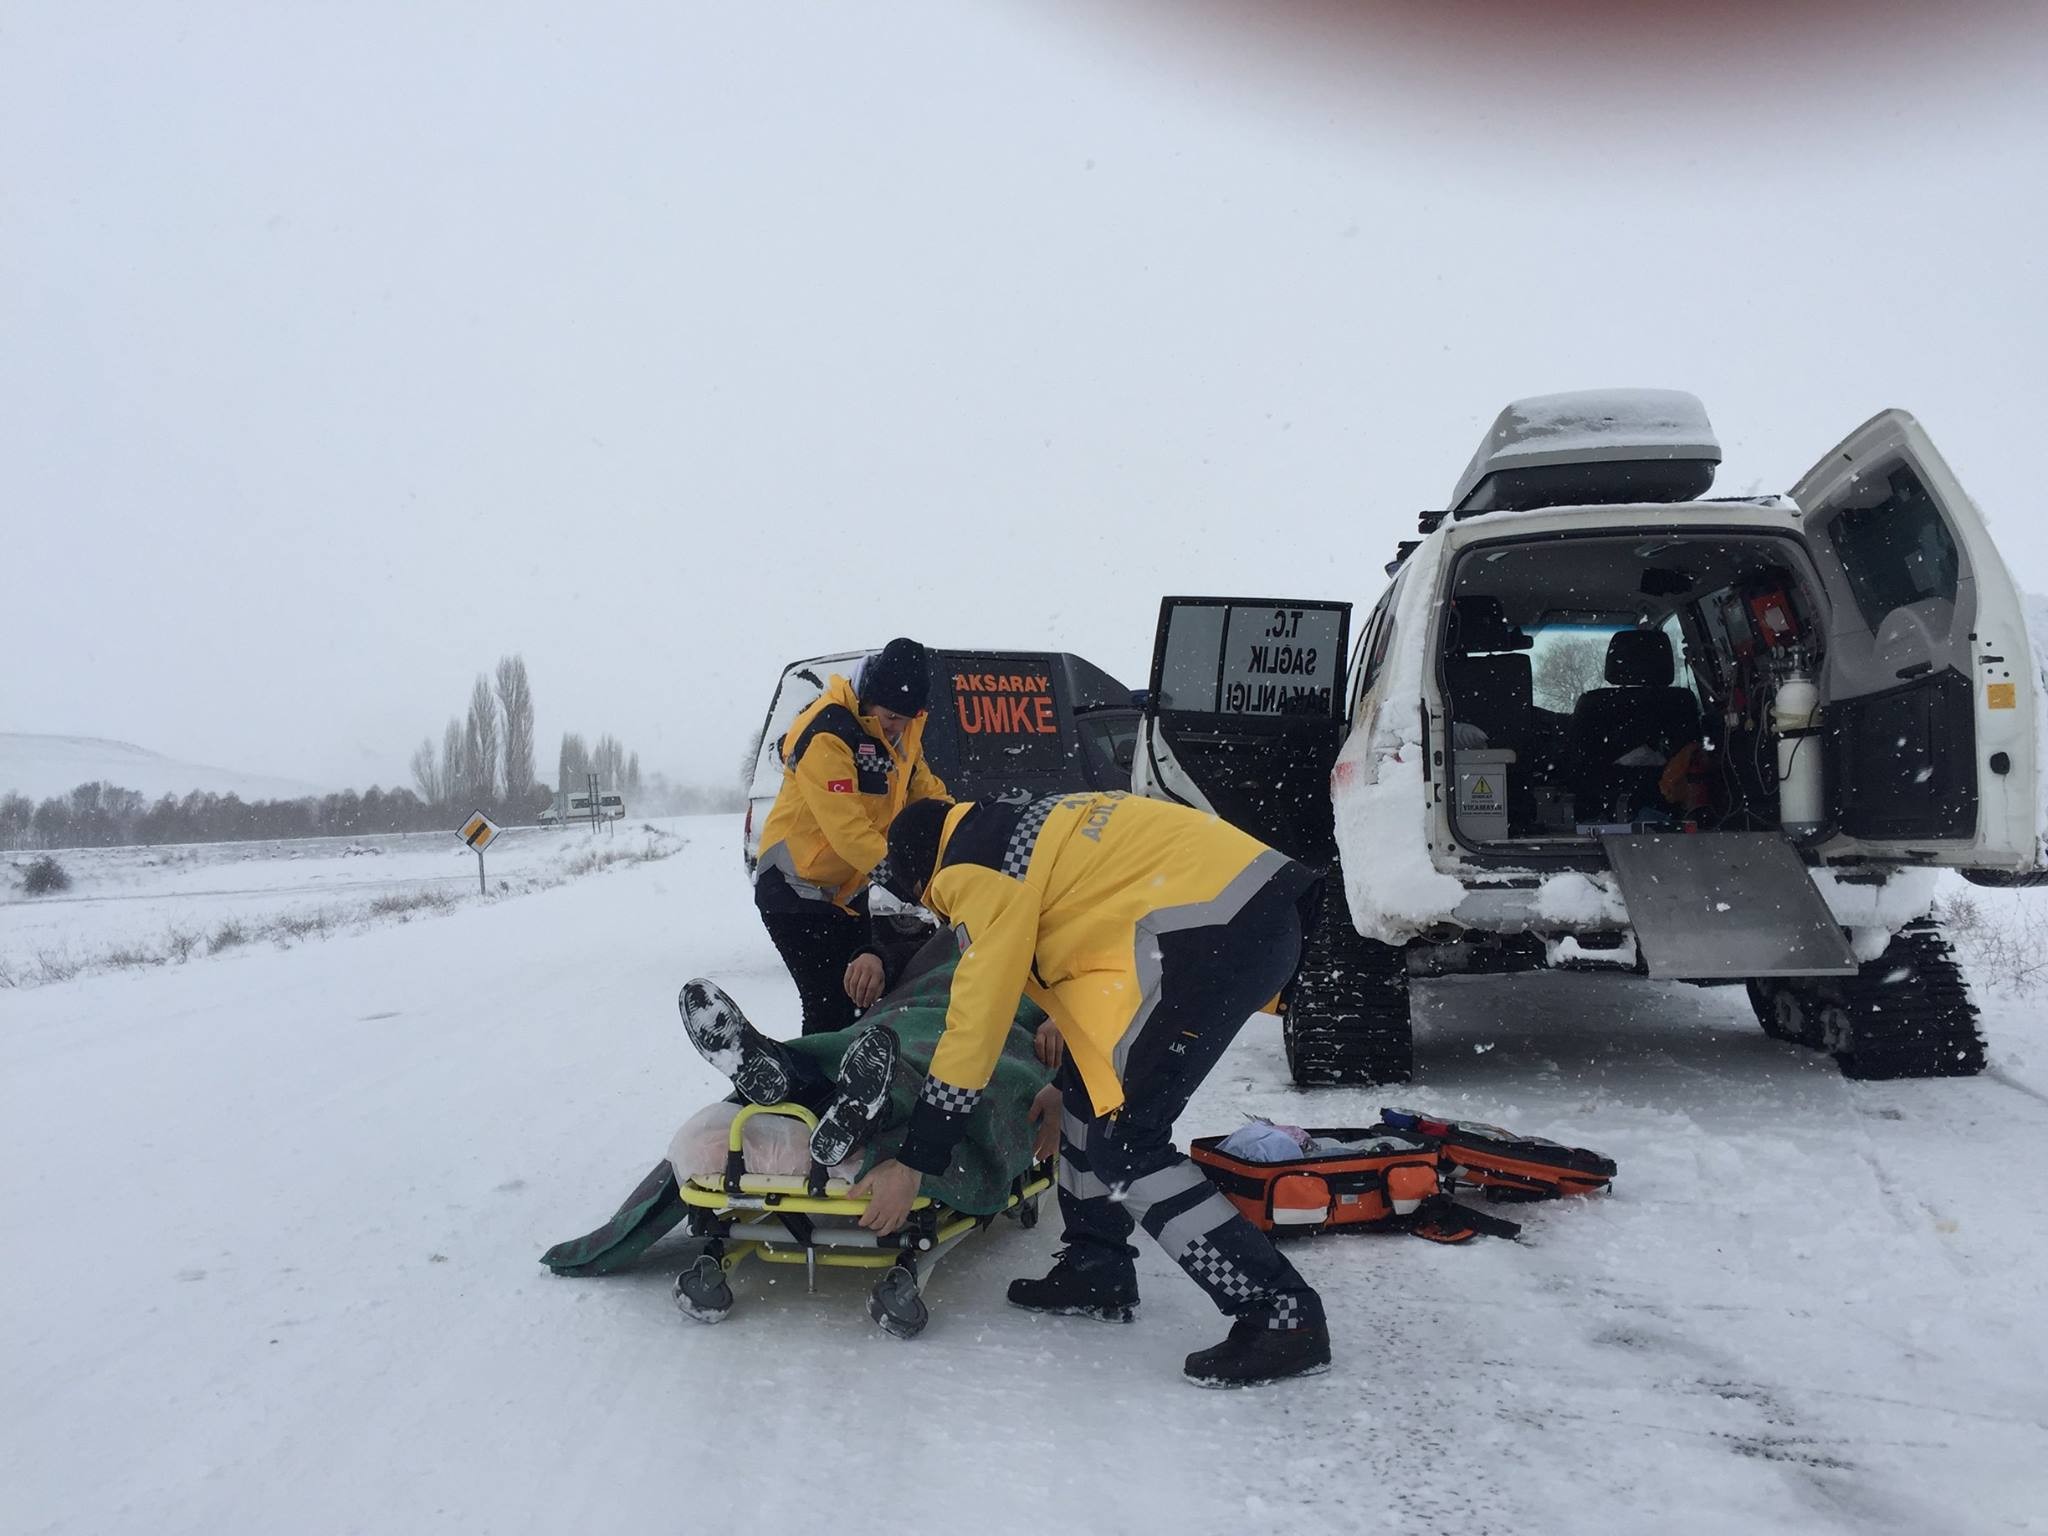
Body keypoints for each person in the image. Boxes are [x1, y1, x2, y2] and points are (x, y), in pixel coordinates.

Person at [859, 791, 1332, 1388]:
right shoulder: (1007, 826)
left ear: (926, 875)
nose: (940, 911)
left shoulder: (968, 869)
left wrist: (915, 1161)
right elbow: (1093, 967)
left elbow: (977, 1021)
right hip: (1235, 918)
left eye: (931, 902)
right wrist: (1067, 1081)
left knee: (1126, 1147)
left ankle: (1281, 1312)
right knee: (1086, 1102)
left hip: (1207, 935)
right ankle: (1097, 1265)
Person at [751, 638, 952, 1035]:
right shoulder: (828, 733)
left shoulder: (902, 731)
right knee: (827, 1005)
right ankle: (797, 1086)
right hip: (794, 890)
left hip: (846, 892)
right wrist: (911, 885)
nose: (898, 726)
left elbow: (927, 795)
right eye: (892, 716)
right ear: (870, 696)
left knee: (862, 1000)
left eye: (907, 718)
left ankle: (845, 1085)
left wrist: (962, 834)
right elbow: (848, 832)